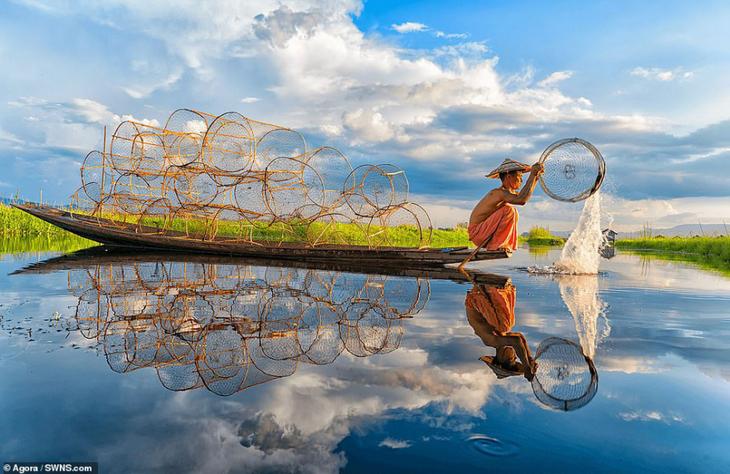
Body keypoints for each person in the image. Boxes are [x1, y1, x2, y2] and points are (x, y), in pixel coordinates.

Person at [467, 159, 544, 252]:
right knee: (509, 210)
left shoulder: (506, 194)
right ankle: (497, 244)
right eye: (520, 176)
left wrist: (535, 177)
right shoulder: (499, 193)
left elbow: (523, 196)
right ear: (508, 176)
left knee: (512, 210)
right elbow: (521, 199)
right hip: (477, 233)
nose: (521, 180)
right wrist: (532, 174)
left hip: (484, 232)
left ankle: (497, 243)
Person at [464, 282, 537, 380]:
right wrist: (529, 359)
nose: (515, 356)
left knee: (505, 326)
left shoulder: (491, 342)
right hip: (479, 299)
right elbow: (520, 337)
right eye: (516, 358)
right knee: (506, 328)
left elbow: (517, 341)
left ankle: (494, 290)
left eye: (512, 359)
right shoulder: (500, 338)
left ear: (502, 358)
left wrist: (527, 367)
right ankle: (495, 291)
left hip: (476, 300)